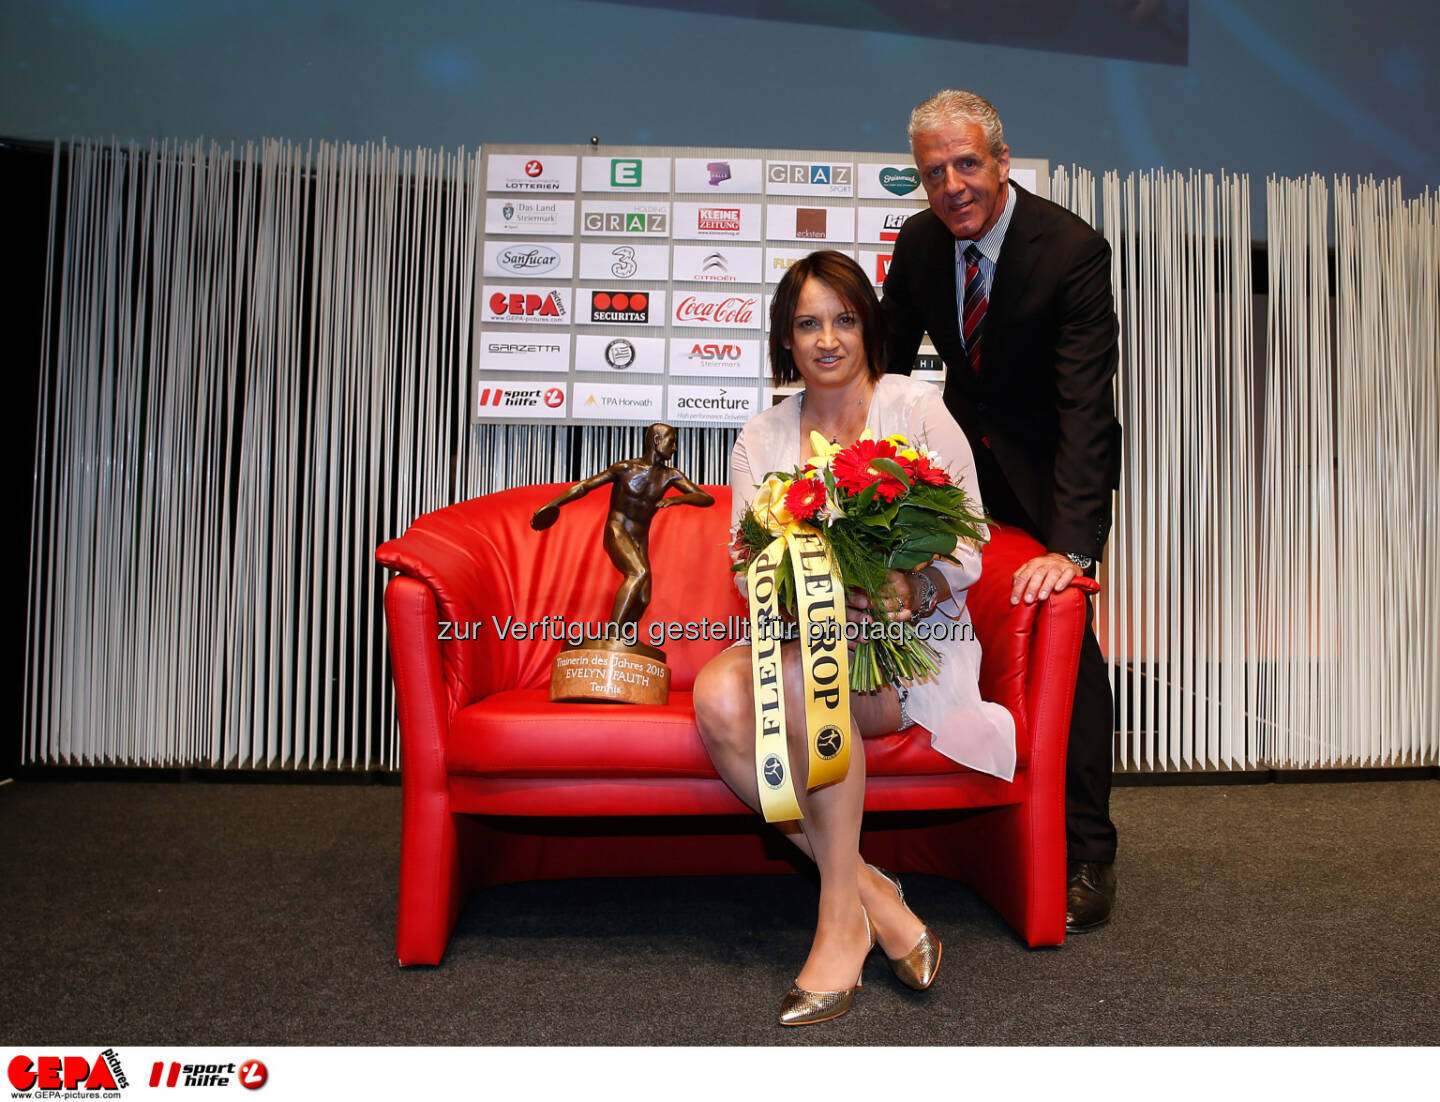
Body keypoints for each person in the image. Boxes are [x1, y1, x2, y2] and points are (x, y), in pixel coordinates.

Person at [692, 251, 1015, 1025]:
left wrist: (913, 584)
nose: (827, 339)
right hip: (801, 637)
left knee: (802, 686)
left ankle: (839, 926)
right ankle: (870, 892)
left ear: (869, 327)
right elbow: (747, 569)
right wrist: (820, 592)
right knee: (717, 698)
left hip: (909, 647)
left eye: (842, 319)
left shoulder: (915, 410)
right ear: (786, 341)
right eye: (807, 324)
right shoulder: (763, 435)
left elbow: (970, 541)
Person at [882, 89, 1122, 932]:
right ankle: (977, 803)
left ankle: (1088, 849)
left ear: (1002, 161)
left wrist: (1076, 550)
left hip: (1052, 467)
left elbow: (1088, 410)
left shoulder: (1070, 249)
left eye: (966, 164)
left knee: (1063, 637)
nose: (951, 185)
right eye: (933, 171)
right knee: (943, 620)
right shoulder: (917, 244)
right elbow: (881, 364)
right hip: (962, 464)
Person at [531, 423, 714, 629]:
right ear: (657, 441)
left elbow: (706, 498)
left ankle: (624, 640)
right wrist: (552, 504)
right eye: (671, 442)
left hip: (640, 539)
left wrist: (677, 500)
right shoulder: (625, 469)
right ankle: (613, 634)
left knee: (644, 598)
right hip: (617, 530)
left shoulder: (670, 475)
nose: (675, 448)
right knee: (638, 573)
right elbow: (584, 486)